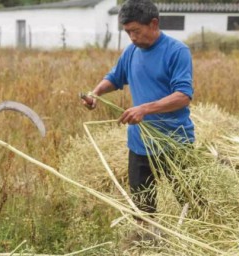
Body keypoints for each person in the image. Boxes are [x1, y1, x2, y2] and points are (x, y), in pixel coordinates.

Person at [82, 0, 197, 230]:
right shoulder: (132, 52)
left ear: (153, 23)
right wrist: (95, 92)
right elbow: (115, 78)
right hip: (140, 145)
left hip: (174, 142)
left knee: (191, 203)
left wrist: (145, 108)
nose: (132, 37)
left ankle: (196, 238)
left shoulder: (176, 51)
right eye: (128, 32)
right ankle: (146, 244)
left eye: (136, 31)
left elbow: (183, 95)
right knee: (142, 210)